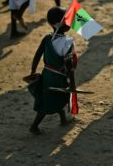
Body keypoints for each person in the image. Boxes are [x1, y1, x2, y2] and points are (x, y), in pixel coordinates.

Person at [28, 7, 78, 135]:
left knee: (55, 97)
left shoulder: (46, 39)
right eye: (68, 20)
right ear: (63, 24)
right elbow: (69, 67)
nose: (71, 22)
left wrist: (33, 71)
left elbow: (37, 55)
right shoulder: (67, 43)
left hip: (47, 75)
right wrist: (72, 84)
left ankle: (63, 119)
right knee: (49, 102)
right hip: (59, 78)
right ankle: (34, 126)